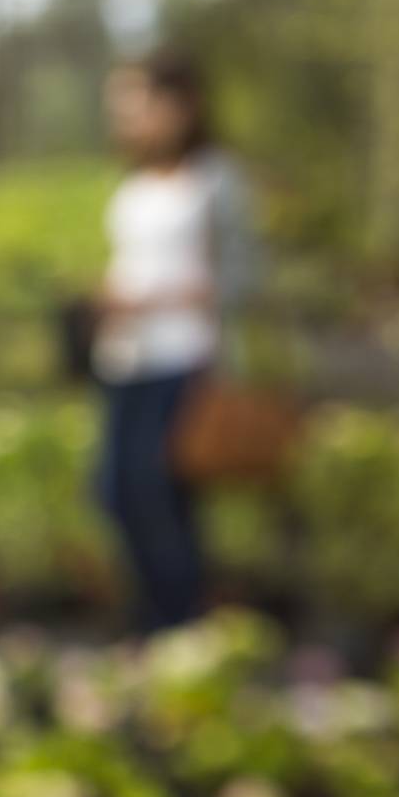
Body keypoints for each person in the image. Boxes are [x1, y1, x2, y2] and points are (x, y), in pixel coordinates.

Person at [93, 47, 259, 632]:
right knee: (115, 490)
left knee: (162, 495)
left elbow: (240, 277)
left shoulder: (215, 179)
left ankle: (182, 626)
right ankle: (152, 619)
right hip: (125, 356)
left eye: (137, 101)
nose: (126, 115)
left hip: (184, 357)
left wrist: (157, 298)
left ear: (180, 104)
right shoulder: (135, 182)